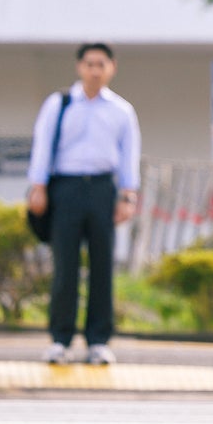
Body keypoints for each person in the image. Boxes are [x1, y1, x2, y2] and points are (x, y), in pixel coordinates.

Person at [26, 43, 142, 366]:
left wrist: (128, 196)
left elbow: (129, 156)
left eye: (101, 64)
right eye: (89, 64)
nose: (94, 70)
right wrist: (38, 187)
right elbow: (42, 145)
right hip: (66, 188)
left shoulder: (121, 111)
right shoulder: (60, 103)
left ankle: (98, 340)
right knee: (66, 264)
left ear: (112, 68)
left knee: (103, 264)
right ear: (79, 67)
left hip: (103, 189)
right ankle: (60, 339)